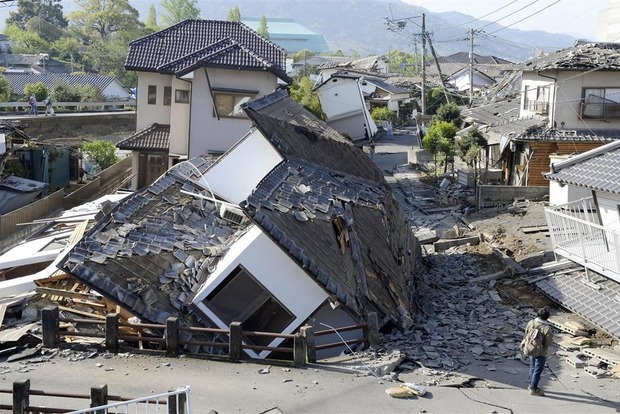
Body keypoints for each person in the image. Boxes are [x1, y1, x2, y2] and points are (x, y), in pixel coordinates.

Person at [523, 307, 554, 396]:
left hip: (530, 348)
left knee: (532, 367)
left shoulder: (531, 323)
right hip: (540, 352)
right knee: (538, 370)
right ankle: (534, 389)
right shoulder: (546, 328)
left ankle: (530, 385)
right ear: (547, 317)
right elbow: (548, 343)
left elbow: (526, 334)